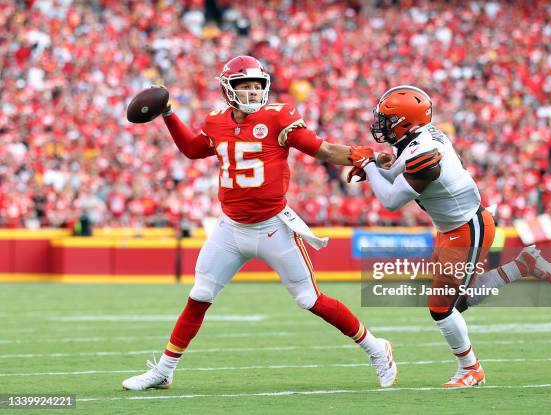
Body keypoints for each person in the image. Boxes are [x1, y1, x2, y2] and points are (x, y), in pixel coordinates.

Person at [122, 56, 397, 390]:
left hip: (272, 227)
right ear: (227, 88)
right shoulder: (217, 119)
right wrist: (168, 114)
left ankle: (376, 347)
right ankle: (165, 369)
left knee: (309, 299)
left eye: (256, 86)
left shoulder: (279, 116)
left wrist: (363, 155)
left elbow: (322, 150)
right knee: (200, 295)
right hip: (230, 227)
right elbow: (194, 150)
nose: (252, 93)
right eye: (244, 86)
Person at [348, 85, 551, 388]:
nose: (381, 125)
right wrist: (375, 166)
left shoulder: (424, 154)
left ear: (405, 121)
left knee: (441, 307)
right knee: (455, 303)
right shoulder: (418, 139)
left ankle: (471, 368)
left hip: (466, 229)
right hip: (453, 227)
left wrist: (369, 166)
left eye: (387, 119)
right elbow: (398, 170)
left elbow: (391, 201)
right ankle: (522, 266)